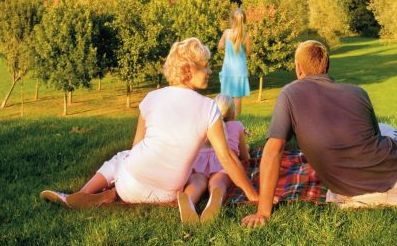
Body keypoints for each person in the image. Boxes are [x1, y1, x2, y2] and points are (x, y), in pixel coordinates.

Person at [241, 40, 397, 228]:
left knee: (385, 131)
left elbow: (273, 151)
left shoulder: (289, 93)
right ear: (326, 66)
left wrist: (263, 212)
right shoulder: (358, 92)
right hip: (392, 171)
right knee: (386, 128)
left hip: (344, 187)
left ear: (298, 68)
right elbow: (374, 136)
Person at [40, 38, 258, 210]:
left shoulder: (150, 98)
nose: (210, 71)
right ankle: (107, 194)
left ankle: (85, 194)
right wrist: (252, 194)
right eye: (205, 66)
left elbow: (136, 146)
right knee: (192, 175)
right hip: (168, 193)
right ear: (188, 70)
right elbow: (227, 158)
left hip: (130, 185)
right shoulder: (209, 108)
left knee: (121, 158)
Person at [177, 94, 249, 224]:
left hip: (200, 159)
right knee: (218, 182)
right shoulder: (237, 125)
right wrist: (247, 149)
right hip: (223, 160)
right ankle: (216, 197)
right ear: (233, 112)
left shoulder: (205, 125)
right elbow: (245, 156)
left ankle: (188, 197)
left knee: (197, 182)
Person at [217, 8, 251, 115]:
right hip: (240, 69)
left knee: (225, 96)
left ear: (232, 20)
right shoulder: (246, 36)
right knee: (237, 96)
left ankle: (224, 116)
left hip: (228, 69)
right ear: (244, 20)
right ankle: (237, 118)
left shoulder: (226, 33)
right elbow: (249, 53)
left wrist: (227, 46)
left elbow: (220, 46)